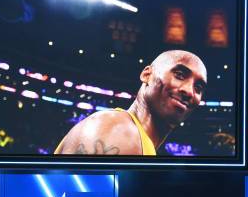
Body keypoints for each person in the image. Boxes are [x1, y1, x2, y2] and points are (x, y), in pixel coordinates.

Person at [54, 50, 208, 155]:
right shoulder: (119, 130)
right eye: (180, 75)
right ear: (147, 74)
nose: (189, 91)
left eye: (198, 87)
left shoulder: (139, 141)